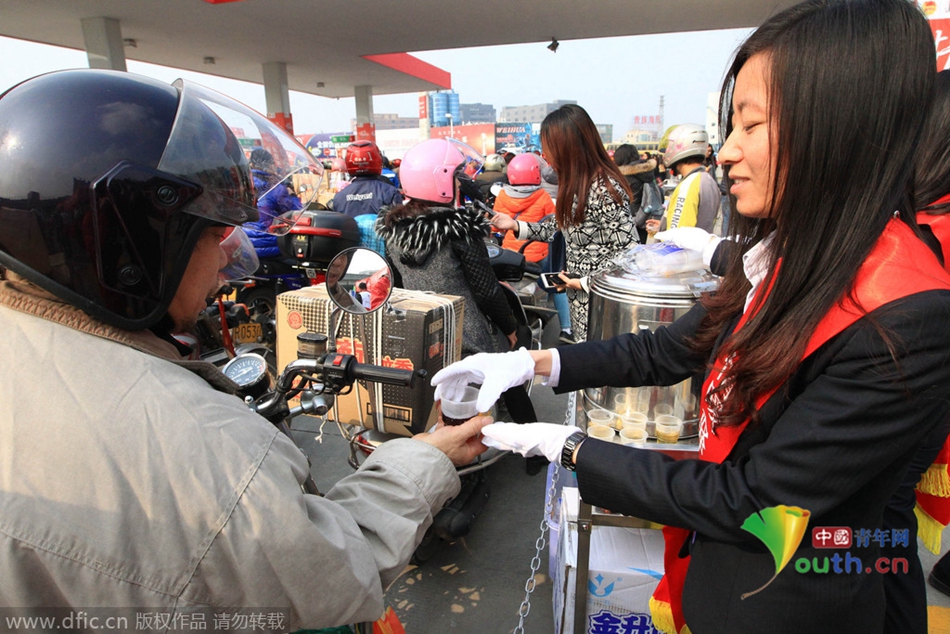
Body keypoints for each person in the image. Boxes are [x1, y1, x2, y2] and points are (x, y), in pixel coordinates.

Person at [432, 1, 950, 632]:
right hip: (718, 579)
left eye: (751, 126)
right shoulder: (790, 254)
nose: (725, 152)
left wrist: (563, 445)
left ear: (839, 130)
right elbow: (666, 350)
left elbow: (753, 500)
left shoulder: (900, 318)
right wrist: (531, 362)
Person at [0, 69, 490, 630]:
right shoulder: (198, 448)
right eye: (212, 235)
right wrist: (428, 457)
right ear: (132, 250)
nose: (224, 264)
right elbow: (334, 572)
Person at [375, 137, 538, 429]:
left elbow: (397, 285)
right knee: (515, 352)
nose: (461, 182)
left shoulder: (392, 231)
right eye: (457, 175)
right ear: (441, 180)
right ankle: (532, 445)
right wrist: (511, 327)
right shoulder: (461, 229)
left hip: (423, 336)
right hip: (469, 339)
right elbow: (487, 292)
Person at [490, 104, 638, 342]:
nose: (545, 156)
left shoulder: (603, 189)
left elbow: (629, 256)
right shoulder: (576, 185)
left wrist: (584, 282)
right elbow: (557, 228)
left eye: (549, 148)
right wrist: (516, 225)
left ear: (569, 148)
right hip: (581, 304)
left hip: (600, 308)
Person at [646, 124, 721, 234]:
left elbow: (677, 237)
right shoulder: (707, 179)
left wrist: (666, 233)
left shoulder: (688, 186)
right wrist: (663, 225)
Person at [614, 143, 662, 244]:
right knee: (640, 248)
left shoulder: (625, 175)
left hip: (629, 216)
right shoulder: (648, 172)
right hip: (644, 215)